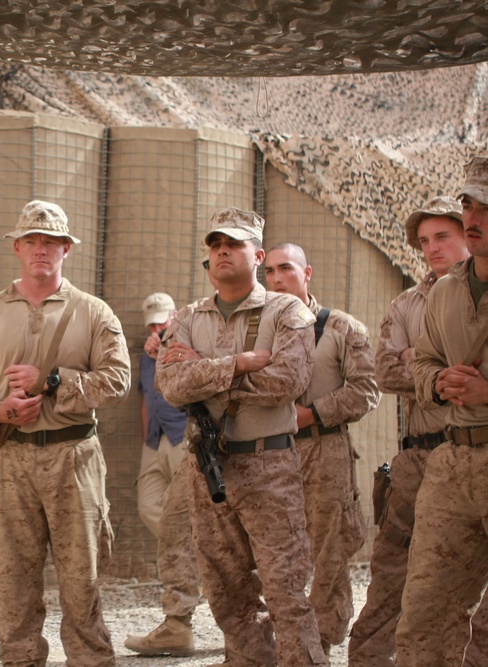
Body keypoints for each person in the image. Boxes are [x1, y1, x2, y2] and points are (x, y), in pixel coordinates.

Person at [0, 200, 130, 667]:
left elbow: (118, 381)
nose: (40, 250)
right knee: (15, 585)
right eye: (30, 240)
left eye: (50, 242)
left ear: (66, 249)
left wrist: (54, 381)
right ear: (16, 247)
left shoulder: (93, 313)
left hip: (74, 459)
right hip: (11, 462)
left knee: (82, 582)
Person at [157, 207, 327, 666]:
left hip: (269, 465)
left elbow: (285, 382)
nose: (223, 251)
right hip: (209, 468)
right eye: (215, 246)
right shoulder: (190, 316)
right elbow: (170, 386)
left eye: (233, 244)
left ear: (258, 255)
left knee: (285, 591)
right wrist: (238, 363)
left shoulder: (286, 310)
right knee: (226, 592)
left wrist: (201, 369)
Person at [347, 195, 488, 665]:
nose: (432, 247)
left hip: (467, 443)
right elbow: (386, 372)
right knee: (401, 581)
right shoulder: (413, 301)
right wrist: (439, 376)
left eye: (441, 236)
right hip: (426, 457)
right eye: (424, 241)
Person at [263, 242, 379, 656]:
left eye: (286, 269)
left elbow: (367, 390)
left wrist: (313, 413)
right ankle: (285, 640)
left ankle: (325, 640)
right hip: (270, 455)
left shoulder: (342, 328)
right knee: (276, 553)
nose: (277, 279)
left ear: (307, 273)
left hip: (324, 451)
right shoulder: (259, 327)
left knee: (329, 550)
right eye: (270, 271)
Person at [396, 157, 488, 665]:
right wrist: (438, 381)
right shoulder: (448, 289)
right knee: (425, 614)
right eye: (469, 205)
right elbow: (423, 361)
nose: (474, 218)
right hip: (452, 464)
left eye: (486, 208)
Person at [123, 293, 199, 658]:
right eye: (151, 324)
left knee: (183, 514)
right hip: (154, 441)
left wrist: (166, 351)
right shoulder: (144, 358)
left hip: (183, 436)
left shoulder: (184, 346)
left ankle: (187, 580)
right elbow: (144, 398)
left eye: (162, 323)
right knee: (149, 506)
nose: (157, 329)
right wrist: (145, 439)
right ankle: (194, 555)